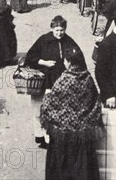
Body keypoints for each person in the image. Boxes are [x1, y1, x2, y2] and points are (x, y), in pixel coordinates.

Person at [40, 47, 103, 180]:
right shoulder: (87, 78)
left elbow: (50, 105)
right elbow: (95, 101)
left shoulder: (63, 80)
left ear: (68, 62)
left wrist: (46, 97)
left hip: (63, 136)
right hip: (83, 134)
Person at [26, 16, 82, 148]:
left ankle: (53, 139)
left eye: (62, 30)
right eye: (57, 30)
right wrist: (44, 62)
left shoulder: (68, 41)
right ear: (52, 29)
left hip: (60, 80)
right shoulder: (44, 40)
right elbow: (30, 56)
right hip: (44, 80)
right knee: (40, 109)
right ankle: (41, 137)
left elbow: (78, 56)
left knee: (57, 111)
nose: (59, 33)